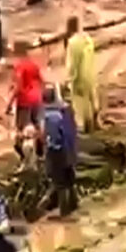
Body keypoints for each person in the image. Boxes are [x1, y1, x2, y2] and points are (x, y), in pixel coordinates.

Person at [41, 84, 78, 216]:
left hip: (57, 152)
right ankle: (74, 205)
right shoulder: (67, 109)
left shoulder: (51, 116)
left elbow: (53, 137)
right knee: (70, 179)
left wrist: (49, 149)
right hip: (71, 148)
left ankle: (64, 212)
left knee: (60, 182)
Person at [61, 16, 101, 132]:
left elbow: (71, 65)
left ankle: (86, 127)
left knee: (81, 103)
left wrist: (68, 81)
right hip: (91, 73)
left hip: (80, 78)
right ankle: (96, 121)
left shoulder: (72, 43)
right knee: (92, 98)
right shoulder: (87, 38)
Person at [7, 40, 45, 150]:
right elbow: (41, 82)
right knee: (38, 126)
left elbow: (18, 87)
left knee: (20, 129)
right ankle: (41, 153)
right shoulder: (33, 65)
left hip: (24, 101)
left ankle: (21, 155)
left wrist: (10, 103)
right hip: (37, 99)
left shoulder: (20, 67)